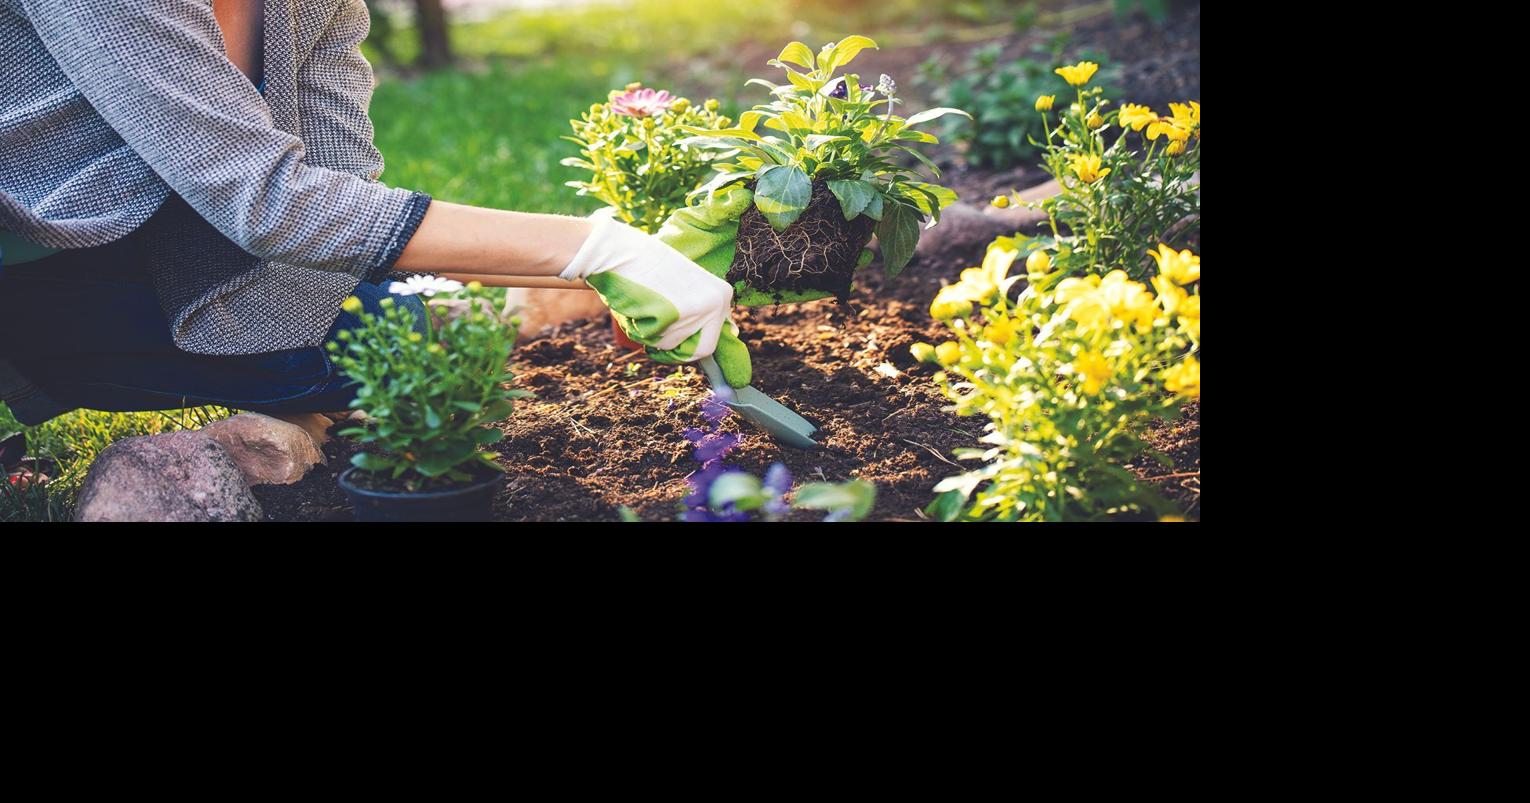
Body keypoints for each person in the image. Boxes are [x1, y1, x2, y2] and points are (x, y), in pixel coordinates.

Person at [0, 0, 737, 430]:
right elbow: (268, 201)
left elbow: (337, 191)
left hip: (179, 236)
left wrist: (594, 266)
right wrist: (594, 247)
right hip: (36, 250)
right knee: (312, 366)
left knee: (393, 350)